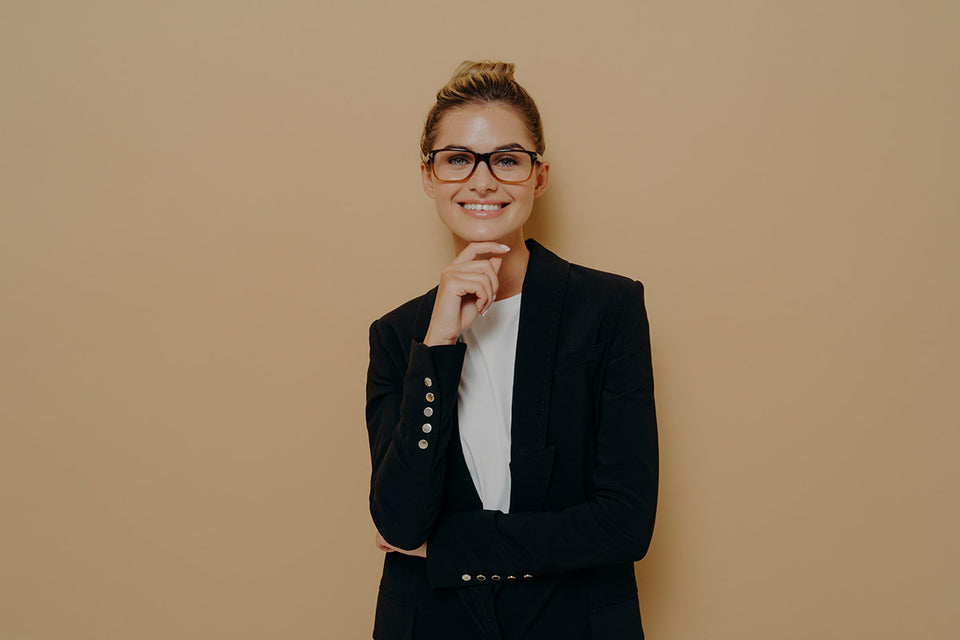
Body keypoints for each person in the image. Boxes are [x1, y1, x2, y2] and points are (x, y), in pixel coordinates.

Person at [365, 60, 658, 640]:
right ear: (428, 176)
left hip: (573, 624)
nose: (481, 181)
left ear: (538, 177)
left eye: (506, 159)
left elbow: (625, 524)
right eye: (457, 159)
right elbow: (398, 521)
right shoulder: (400, 335)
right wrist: (439, 344)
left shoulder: (609, 308)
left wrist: (451, 548)